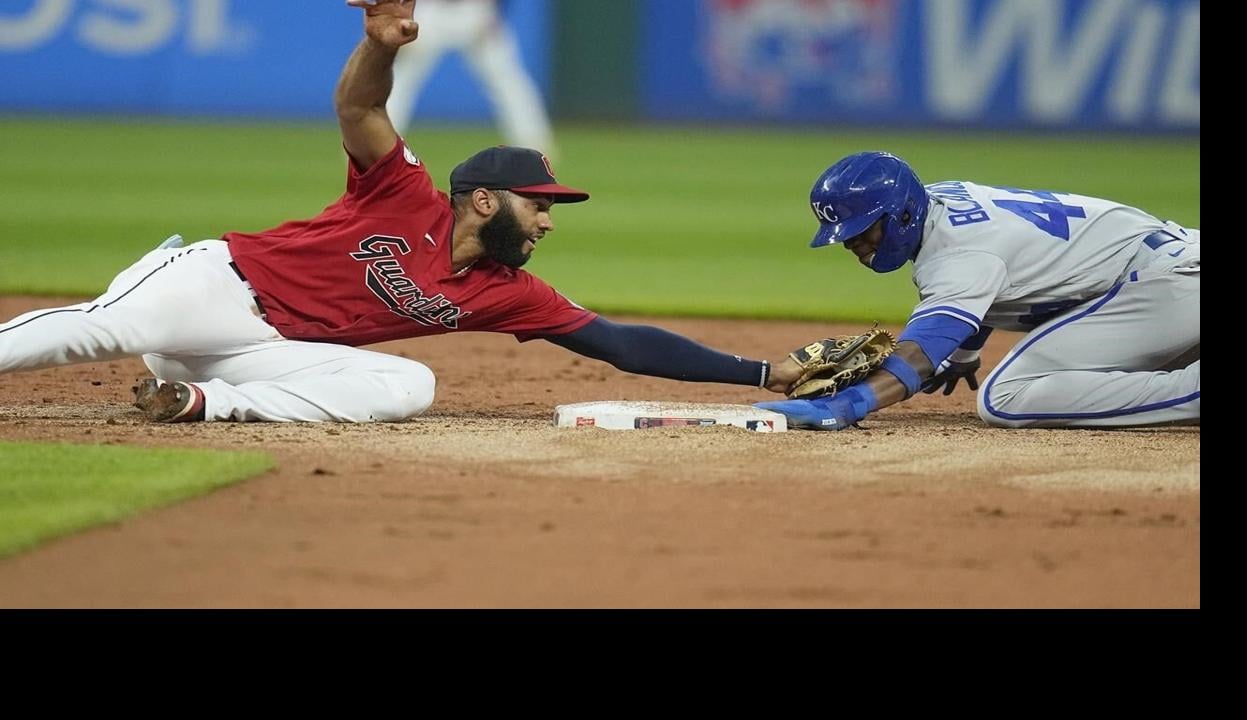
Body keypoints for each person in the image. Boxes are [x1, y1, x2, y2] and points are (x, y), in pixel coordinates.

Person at [0, 0, 801, 423]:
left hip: (257, 357)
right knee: (99, 329)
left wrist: (763, 371)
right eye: (540, 206)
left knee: (410, 387)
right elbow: (358, 110)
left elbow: (621, 343)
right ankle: (148, 278)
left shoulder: (507, 291)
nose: (550, 222)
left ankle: (201, 406)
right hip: (216, 286)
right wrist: (382, 45)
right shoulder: (403, 190)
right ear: (483, 200)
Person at [757, 151, 1200, 430]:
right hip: (1170, 273)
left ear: (901, 216)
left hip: (1169, 287)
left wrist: (849, 404)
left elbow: (919, 352)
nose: (852, 243)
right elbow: (1004, 271)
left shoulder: (957, 257)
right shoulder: (940, 200)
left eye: (860, 230)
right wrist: (966, 352)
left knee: (1004, 398)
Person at [386, 0, 557, 158]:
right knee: (400, 80)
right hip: (431, 12)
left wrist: (496, 10)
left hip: (476, 10)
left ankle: (534, 144)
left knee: (507, 80)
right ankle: (382, 145)